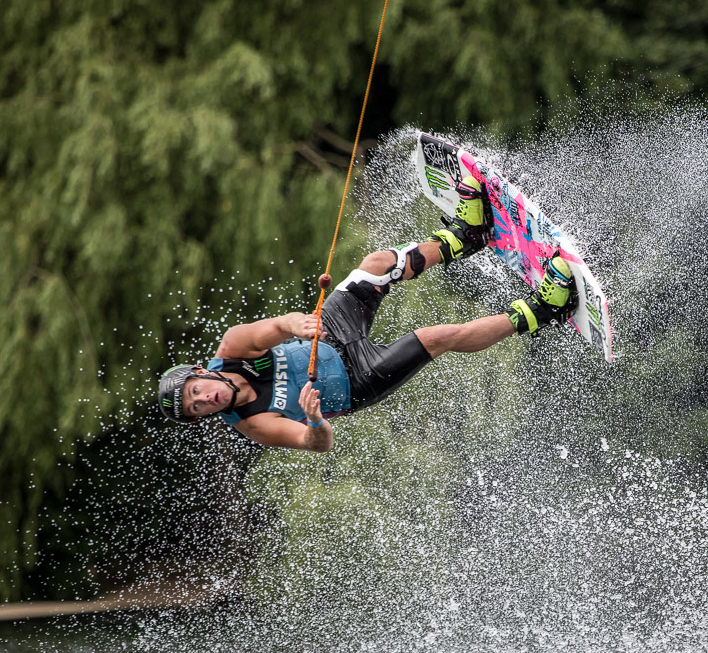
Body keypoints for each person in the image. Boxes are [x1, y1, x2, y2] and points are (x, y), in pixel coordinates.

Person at [157, 175, 578, 452]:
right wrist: (316, 419)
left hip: (328, 334)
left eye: (196, 391)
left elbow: (273, 329)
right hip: (358, 379)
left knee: (376, 265)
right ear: (204, 419)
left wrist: (295, 324)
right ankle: (543, 309)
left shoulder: (231, 349)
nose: (205, 400)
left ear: (201, 372)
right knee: (436, 338)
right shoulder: (252, 423)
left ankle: (465, 236)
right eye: (198, 409)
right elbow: (315, 443)